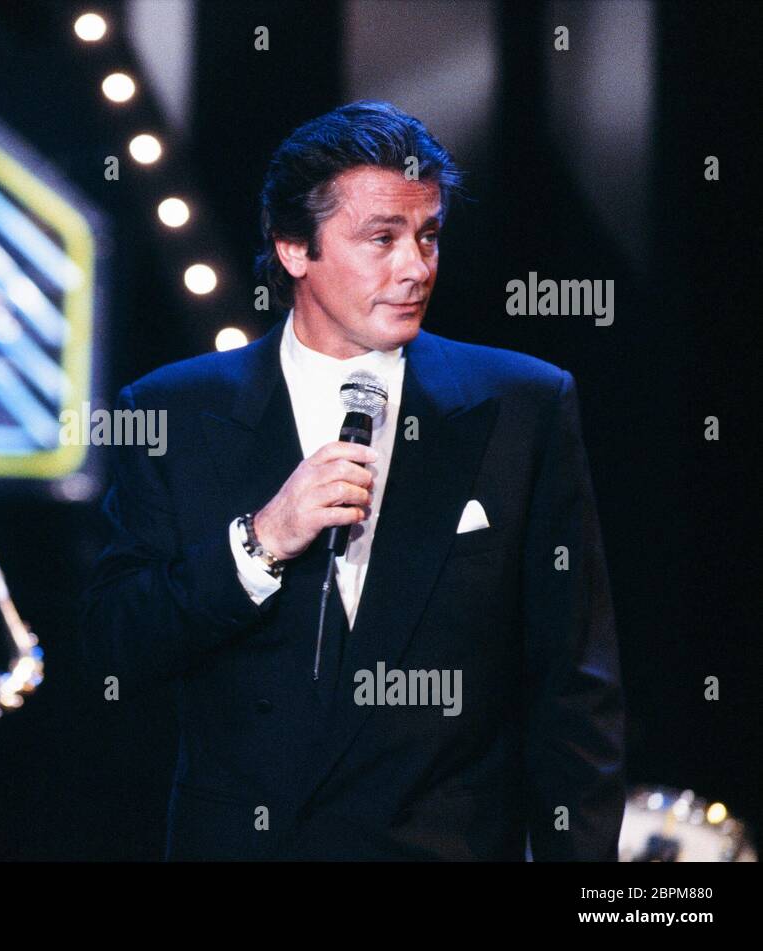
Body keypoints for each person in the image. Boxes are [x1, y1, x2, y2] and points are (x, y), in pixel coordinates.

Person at [82, 101, 625, 861]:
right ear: (294, 246)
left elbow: (575, 687)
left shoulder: (521, 407)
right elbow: (114, 645)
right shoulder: (172, 410)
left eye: (428, 234)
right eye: (382, 238)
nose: (417, 266)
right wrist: (261, 540)